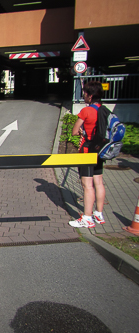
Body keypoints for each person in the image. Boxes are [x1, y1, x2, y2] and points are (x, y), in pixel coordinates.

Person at [69, 81, 106, 228]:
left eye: (85, 93)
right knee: (98, 182)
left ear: (90, 96)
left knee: (87, 185)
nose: (83, 95)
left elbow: (74, 131)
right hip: (101, 150)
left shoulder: (86, 111)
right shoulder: (103, 110)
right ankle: (99, 214)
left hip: (87, 151)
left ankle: (87, 218)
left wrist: (82, 131)